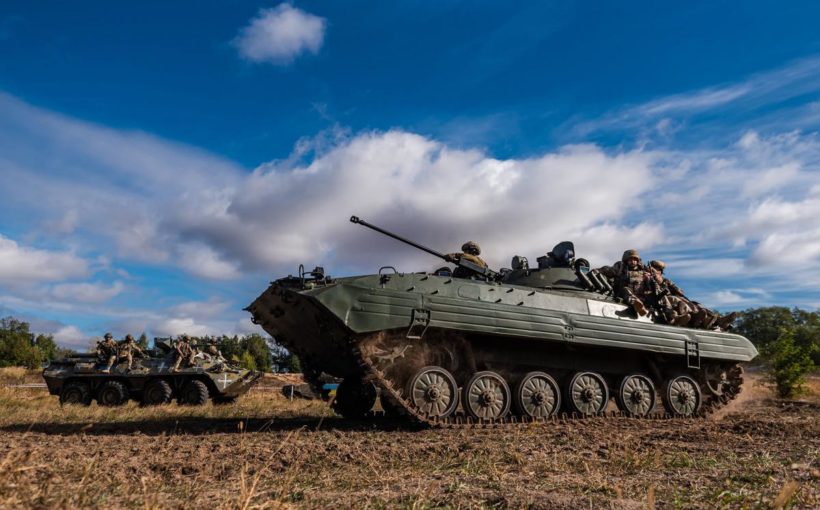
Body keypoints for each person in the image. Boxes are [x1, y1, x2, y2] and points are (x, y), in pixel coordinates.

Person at [645, 260, 739, 331]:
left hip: (674, 299)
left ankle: (717, 319)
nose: (657, 272)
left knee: (695, 304)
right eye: (655, 269)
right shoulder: (647, 277)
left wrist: (669, 285)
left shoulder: (665, 281)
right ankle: (693, 317)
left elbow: (680, 292)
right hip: (662, 300)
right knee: (675, 299)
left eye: (659, 270)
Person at [597, 249, 649, 316]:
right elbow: (608, 271)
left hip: (641, 295)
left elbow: (650, 287)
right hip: (624, 294)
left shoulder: (644, 271)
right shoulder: (621, 268)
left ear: (638, 261)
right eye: (630, 260)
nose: (633, 262)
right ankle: (636, 304)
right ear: (626, 260)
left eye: (635, 260)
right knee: (625, 289)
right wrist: (597, 271)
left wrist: (648, 279)